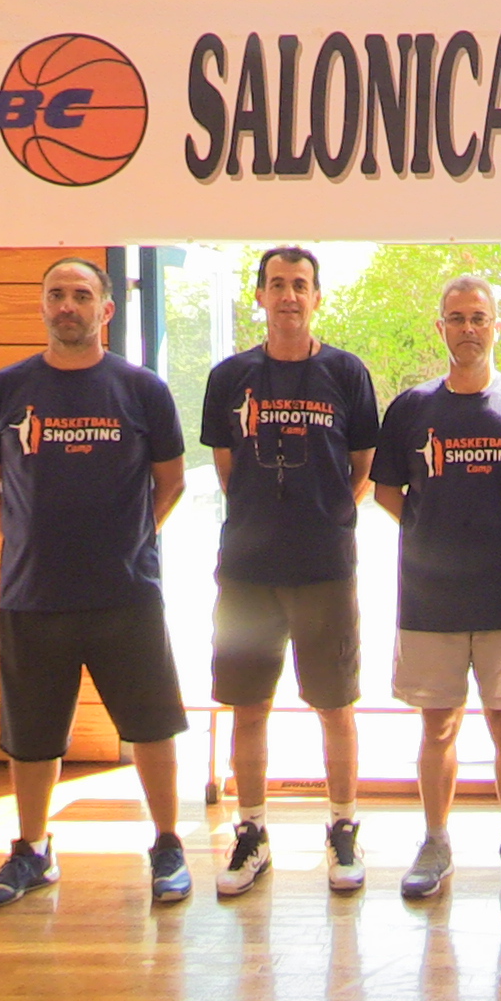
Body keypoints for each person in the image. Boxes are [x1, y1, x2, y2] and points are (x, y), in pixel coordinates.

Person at [0, 257, 190, 909]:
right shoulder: (1, 390)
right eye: (57, 294)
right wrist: (27, 538)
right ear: (42, 306)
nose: (68, 305)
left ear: (106, 310)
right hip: (33, 594)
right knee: (31, 733)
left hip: (127, 593)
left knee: (151, 725)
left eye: (82, 295)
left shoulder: (143, 390)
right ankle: (32, 851)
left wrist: (130, 539)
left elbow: (172, 481)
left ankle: (168, 845)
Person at [372, 275, 501, 899]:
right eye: (456, 318)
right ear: (441, 328)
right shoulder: (410, 408)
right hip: (431, 600)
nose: (468, 329)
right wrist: (432, 532)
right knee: (437, 727)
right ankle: (435, 841)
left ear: (496, 326)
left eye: (479, 317)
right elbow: (387, 491)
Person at [200, 247, 381, 895]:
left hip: (325, 569)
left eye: (300, 285)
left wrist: (318, 519)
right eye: (276, 284)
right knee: (249, 706)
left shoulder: (347, 373)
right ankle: (251, 832)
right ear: (259, 296)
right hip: (247, 573)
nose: (288, 296)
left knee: (335, 705)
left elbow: (362, 471)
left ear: (317, 297)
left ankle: (343, 827)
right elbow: (228, 471)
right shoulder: (230, 377)